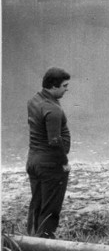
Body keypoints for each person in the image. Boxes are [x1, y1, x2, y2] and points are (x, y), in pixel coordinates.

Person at [26, 67, 71, 239]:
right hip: (50, 164)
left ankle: (30, 243)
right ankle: (45, 246)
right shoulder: (53, 110)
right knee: (50, 208)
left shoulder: (34, 101)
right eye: (64, 86)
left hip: (34, 161)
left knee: (37, 204)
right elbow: (54, 141)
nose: (67, 89)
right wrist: (64, 162)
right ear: (53, 86)